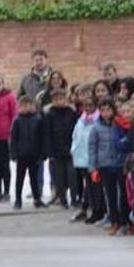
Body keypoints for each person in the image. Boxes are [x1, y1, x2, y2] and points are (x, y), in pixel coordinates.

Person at [88, 97, 130, 235]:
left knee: (123, 194)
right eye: (102, 110)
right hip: (104, 164)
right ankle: (114, 222)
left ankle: (125, 222)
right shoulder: (96, 126)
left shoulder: (120, 124)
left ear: (113, 110)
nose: (106, 113)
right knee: (110, 195)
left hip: (120, 164)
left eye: (108, 109)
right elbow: (92, 147)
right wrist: (93, 167)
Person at [70, 95, 104, 223]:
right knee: (88, 186)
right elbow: (76, 136)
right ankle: (91, 209)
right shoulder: (82, 119)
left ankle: (98, 211)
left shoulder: (98, 120)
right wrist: (73, 150)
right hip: (82, 159)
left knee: (96, 187)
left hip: (93, 160)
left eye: (91, 105)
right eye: (86, 105)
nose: (88, 108)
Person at [43, 88, 78, 208]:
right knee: (59, 178)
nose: (59, 101)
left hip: (70, 151)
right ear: (52, 101)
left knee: (72, 176)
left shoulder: (71, 113)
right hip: (56, 151)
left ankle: (74, 199)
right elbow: (46, 134)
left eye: (61, 99)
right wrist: (49, 151)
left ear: (66, 99)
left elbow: (76, 131)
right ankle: (63, 200)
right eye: (56, 99)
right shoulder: (49, 114)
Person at [9, 96, 45, 210]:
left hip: (34, 154)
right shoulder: (17, 120)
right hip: (21, 155)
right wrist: (13, 153)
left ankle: (37, 199)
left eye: (28, 105)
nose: (25, 108)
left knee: (34, 179)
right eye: (22, 106)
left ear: (34, 107)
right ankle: (18, 200)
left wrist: (42, 154)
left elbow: (42, 138)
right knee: (20, 178)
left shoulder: (38, 119)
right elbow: (13, 139)